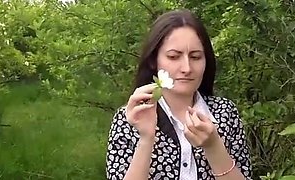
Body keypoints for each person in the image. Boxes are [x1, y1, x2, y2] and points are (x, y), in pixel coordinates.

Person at [106, 9, 252, 180]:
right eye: (174, 57)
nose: (187, 68)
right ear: (154, 60)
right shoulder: (130, 118)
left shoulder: (225, 113)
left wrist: (213, 146)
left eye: (196, 57)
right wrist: (146, 138)